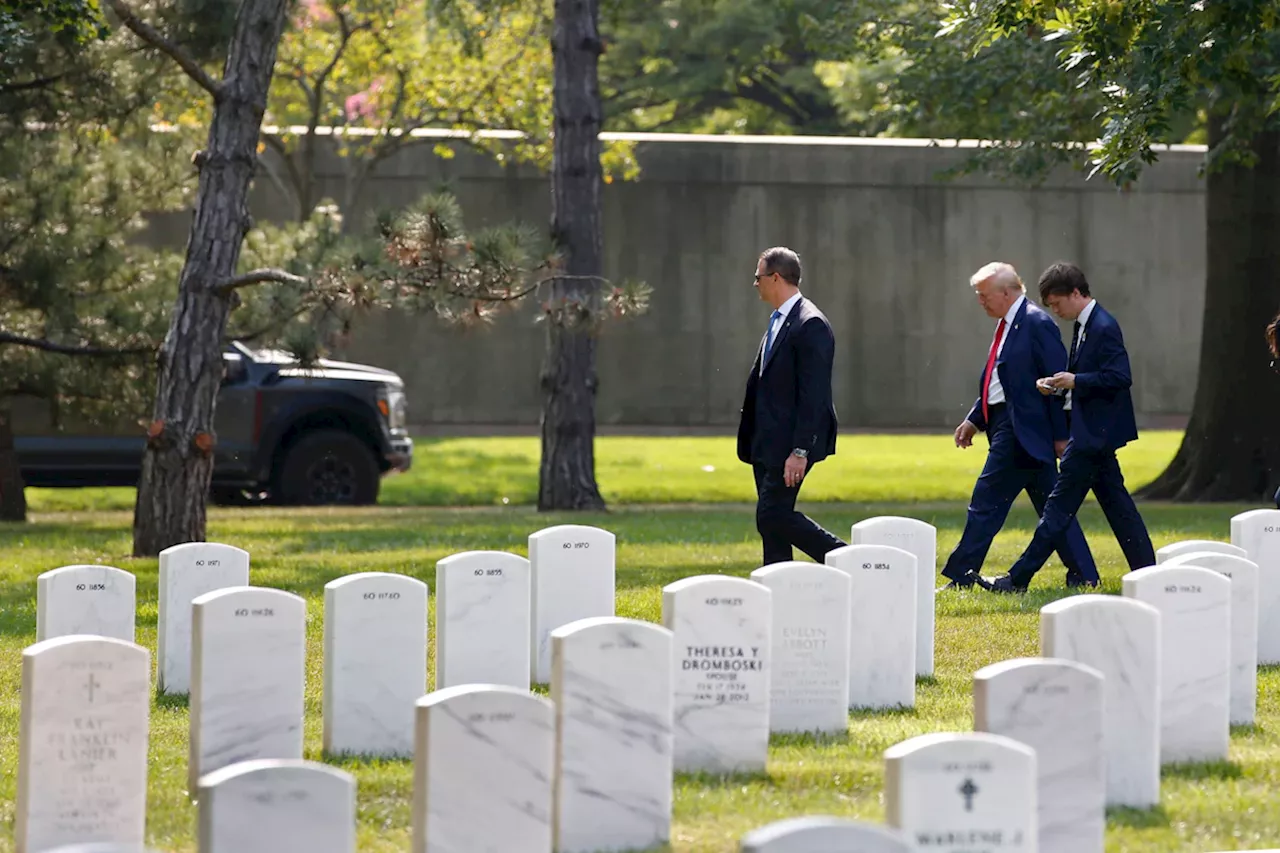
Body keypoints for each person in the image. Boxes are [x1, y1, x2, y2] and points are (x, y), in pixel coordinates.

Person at [984, 261, 1156, 592]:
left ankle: (1016, 579)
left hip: (1092, 438)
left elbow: (1120, 377)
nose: (1056, 311)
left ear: (1076, 293)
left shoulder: (1103, 326)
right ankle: (1149, 573)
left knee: (1057, 511)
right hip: (1094, 437)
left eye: (1058, 303)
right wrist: (1060, 385)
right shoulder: (1084, 324)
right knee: (1120, 511)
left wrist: (1075, 380)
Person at [938, 262, 1098, 590]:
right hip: (1010, 427)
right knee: (1054, 507)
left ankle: (961, 576)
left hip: (1022, 431)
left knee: (985, 502)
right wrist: (975, 418)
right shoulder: (1007, 325)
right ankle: (1084, 573)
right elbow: (1000, 384)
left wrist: (1060, 435)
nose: (980, 301)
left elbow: (1055, 384)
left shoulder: (1036, 323)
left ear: (1007, 292)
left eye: (984, 296)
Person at [737, 246, 847, 565]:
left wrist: (800, 451)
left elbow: (815, 395)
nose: (755, 284)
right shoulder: (779, 320)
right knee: (772, 524)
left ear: (775, 278)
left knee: (772, 514)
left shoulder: (810, 324)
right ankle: (778, 586)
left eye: (758, 277)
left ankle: (848, 559)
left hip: (790, 445)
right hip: (767, 443)